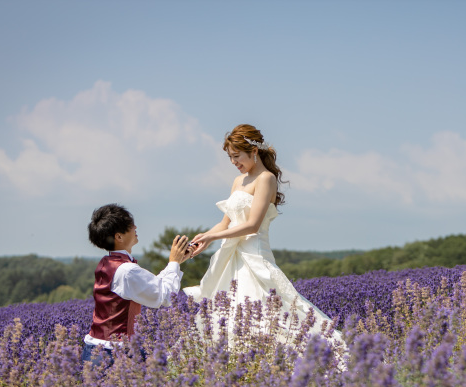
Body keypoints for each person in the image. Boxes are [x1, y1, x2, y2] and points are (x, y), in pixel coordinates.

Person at [184, 124, 339, 343]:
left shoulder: (266, 179)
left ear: (254, 151)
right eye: (230, 157)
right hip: (231, 257)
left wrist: (213, 238)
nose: (233, 162)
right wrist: (203, 238)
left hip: (254, 255)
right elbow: (225, 223)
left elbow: (252, 225)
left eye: (237, 156)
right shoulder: (238, 181)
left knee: (269, 315)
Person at [83, 203, 193, 366]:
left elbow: (152, 286)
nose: (135, 227)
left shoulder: (107, 263)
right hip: (117, 353)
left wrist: (176, 263)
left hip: (94, 349)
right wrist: (173, 262)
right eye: (129, 225)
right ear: (119, 237)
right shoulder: (127, 271)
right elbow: (166, 297)